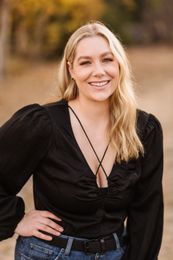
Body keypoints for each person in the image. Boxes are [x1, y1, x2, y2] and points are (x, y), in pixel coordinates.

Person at [0, 21, 163, 260]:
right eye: (86, 62)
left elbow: (147, 214)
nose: (98, 71)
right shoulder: (41, 123)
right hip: (48, 254)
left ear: (119, 64)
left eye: (107, 59)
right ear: (71, 69)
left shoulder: (144, 130)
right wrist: (15, 219)